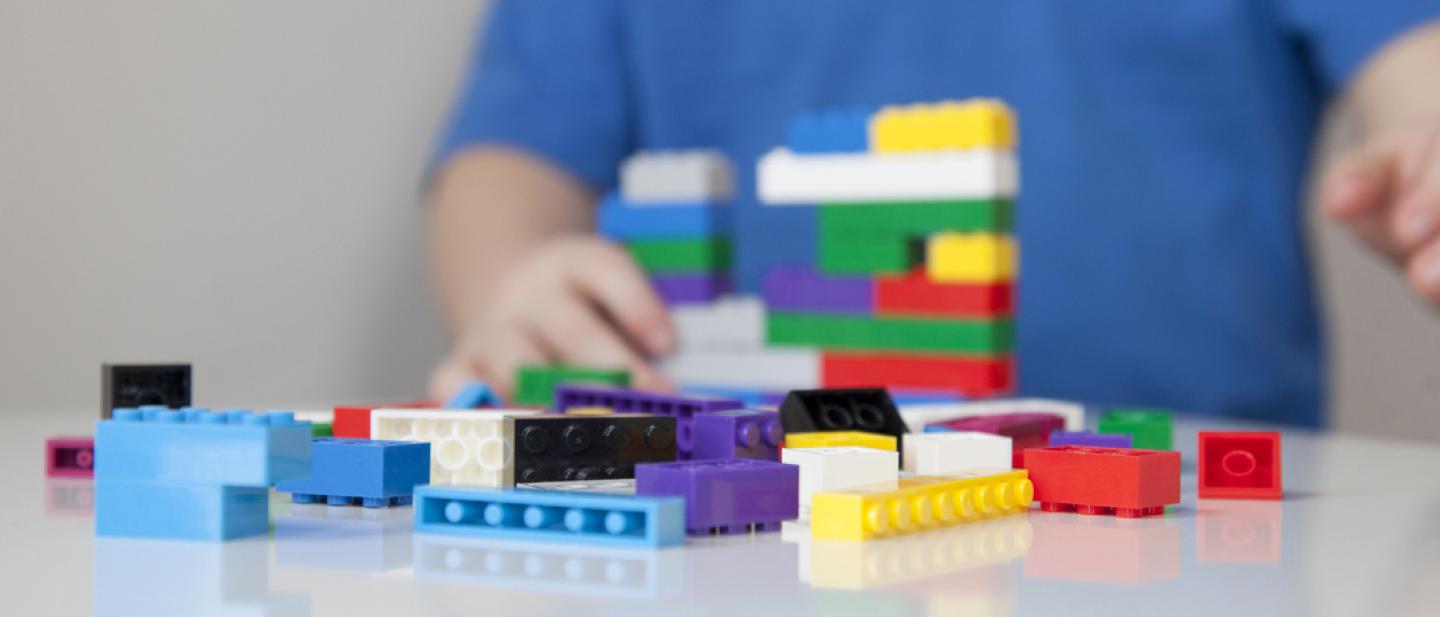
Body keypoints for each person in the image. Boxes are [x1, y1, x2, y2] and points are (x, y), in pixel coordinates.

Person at [424, 1, 1440, 427]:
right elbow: (508, 161)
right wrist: (518, 279)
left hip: (1199, 510)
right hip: (756, 511)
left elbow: (1418, 70)